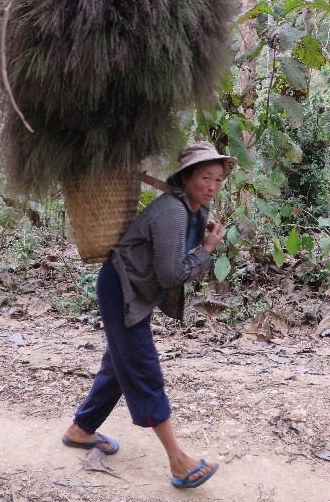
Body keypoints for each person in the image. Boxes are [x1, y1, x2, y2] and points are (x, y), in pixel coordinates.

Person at [62, 141, 237, 489]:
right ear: (186, 178)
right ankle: (179, 461)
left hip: (133, 291)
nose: (213, 187)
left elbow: (174, 269)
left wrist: (202, 248)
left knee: (119, 364)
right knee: (143, 368)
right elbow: (172, 275)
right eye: (205, 177)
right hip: (120, 289)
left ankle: (81, 429)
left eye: (218, 180)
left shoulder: (195, 212)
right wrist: (207, 250)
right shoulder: (172, 212)